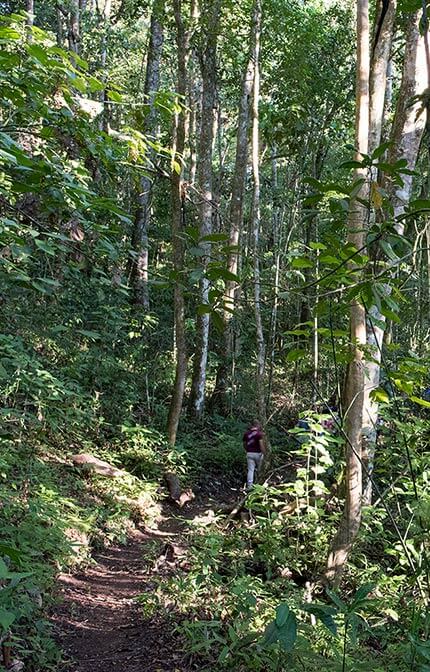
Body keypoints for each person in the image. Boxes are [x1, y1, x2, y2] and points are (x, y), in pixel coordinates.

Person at [243, 420, 265, 489]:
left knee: (250, 470)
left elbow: (244, 444)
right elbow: (261, 445)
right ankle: (259, 485)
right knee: (260, 469)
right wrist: (264, 452)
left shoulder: (246, 434)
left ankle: (249, 486)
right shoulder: (259, 434)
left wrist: (247, 450)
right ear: (257, 425)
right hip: (258, 454)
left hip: (249, 453)